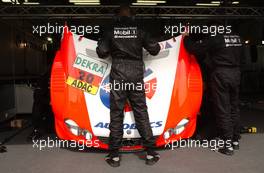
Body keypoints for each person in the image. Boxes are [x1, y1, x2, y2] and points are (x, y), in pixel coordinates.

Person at [96, 5, 161, 167]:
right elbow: (155, 49)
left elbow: (101, 52)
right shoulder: (140, 30)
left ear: (117, 16)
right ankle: (151, 153)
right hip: (136, 75)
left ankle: (114, 156)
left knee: (116, 114)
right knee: (141, 112)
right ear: (133, 15)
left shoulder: (111, 31)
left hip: (118, 74)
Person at [183, 25, 244, 156]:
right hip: (236, 73)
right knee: (234, 107)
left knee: (223, 109)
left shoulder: (216, 39)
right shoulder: (237, 37)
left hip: (221, 73)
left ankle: (227, 145)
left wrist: (186, 37)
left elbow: (194, 49)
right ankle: (235, 140)